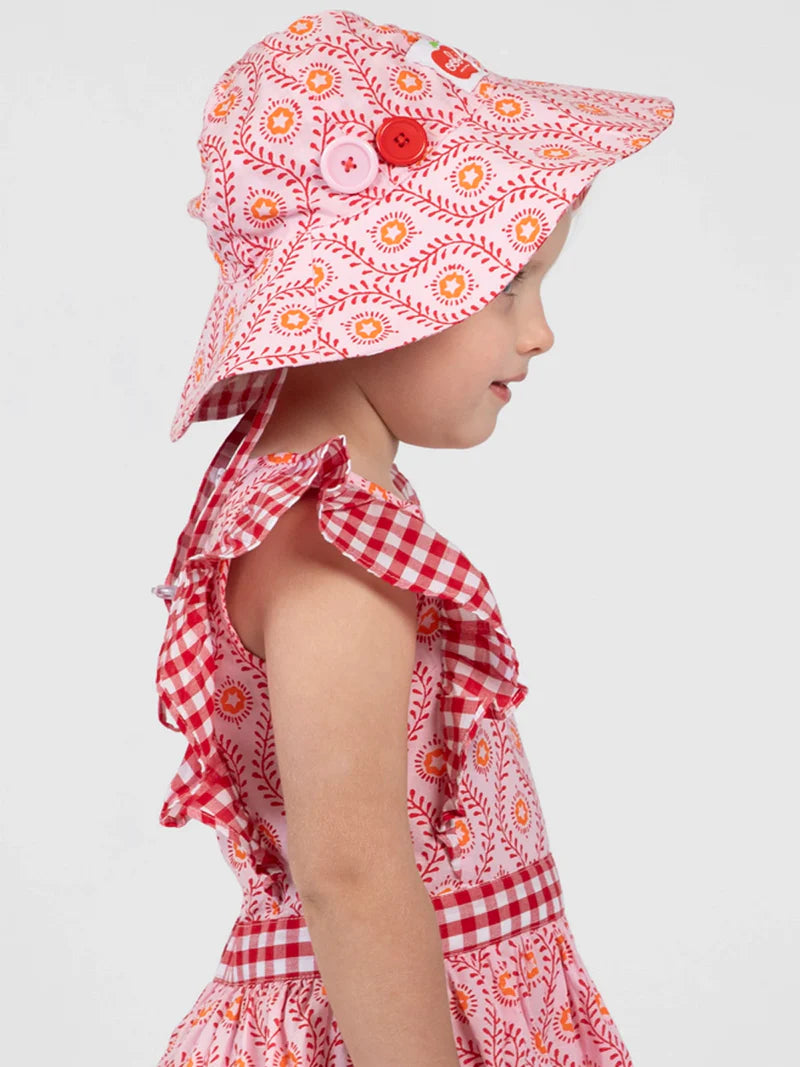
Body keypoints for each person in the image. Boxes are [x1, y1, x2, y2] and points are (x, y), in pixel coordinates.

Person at [151, 10, 674, 1067]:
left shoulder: (318, 503)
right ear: (372, 296)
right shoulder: (333, 545)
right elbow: (350, 872)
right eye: (506, 286)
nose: (539, 331)